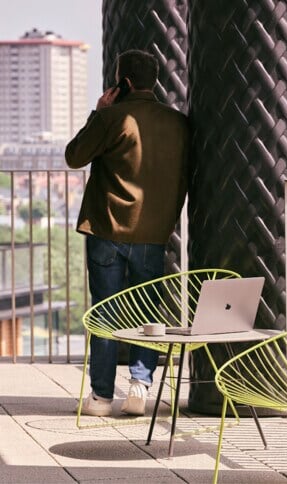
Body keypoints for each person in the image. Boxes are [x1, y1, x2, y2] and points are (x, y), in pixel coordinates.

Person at [65, 49, 189, 417]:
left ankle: (102, 397)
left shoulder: (113, 117)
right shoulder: (179, 123)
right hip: (153, 233)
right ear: (154, 81)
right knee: (148, 314)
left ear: (124, 82)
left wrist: (99, 113)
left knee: (106, 313)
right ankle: (140, 384)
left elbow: (74, 156)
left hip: (107, 229)